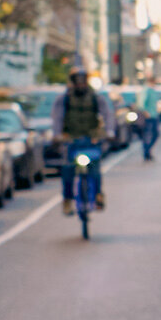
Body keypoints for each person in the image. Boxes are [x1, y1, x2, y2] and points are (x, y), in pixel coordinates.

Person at [55, 60, 106, 209]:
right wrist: (58, 135)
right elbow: (57, 117)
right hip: (72, 140)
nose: (80, 84)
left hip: (91, 139)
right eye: (77, 81)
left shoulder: (96, 97)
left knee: (95, 170)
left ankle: (98, 195)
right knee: (67, 171)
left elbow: (106, 114)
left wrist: (108, 132)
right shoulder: (64, 98)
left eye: (83, 80)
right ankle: (67, 199)